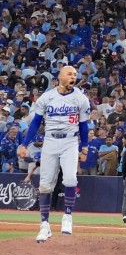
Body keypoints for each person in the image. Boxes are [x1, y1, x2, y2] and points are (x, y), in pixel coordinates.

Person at [17, 66, 91, 242]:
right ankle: (45, 225)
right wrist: (24, 144)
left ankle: (67, 216)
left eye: (75, 74)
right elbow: (35, 122)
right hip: (50, 140)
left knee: (71, 179)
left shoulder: (80, 98)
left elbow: (83, 126)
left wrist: (85, 147)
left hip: (70, 141)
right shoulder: (48, 97)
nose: (73, 76)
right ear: (60, 77)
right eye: (69, 74)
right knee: (45, 184)